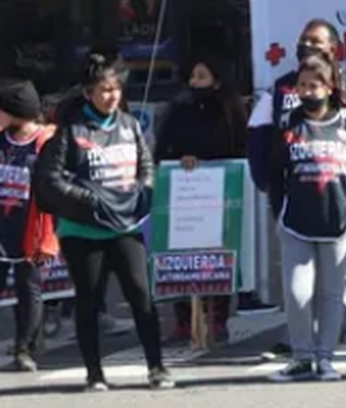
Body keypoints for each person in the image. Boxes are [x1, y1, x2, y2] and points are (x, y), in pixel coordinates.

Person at [33, 52, 175, 392]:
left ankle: (156, 367)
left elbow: (146, 163)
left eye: (115, 89)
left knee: (141, 294)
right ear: (88, 93)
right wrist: (88, 201)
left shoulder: (129, 125)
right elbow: (49, 181)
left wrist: (144, 190)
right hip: (83, 230)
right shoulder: (71, 130)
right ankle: (94, 373)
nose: (111, 96)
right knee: (89, 300)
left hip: (125, 226)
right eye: (103, 89)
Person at [248, 19, 346, 359]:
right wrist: (267, 182)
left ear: (333, 49)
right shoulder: (281, 89)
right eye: (303, 40)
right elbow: (258, 134)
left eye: (316, 40)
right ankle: (299, 337)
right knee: (298, 271)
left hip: (344, 194)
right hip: (296, 195)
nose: (307, 45)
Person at [267, 54, 346, 383]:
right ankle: (301, 357)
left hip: (338, 220)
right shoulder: (288, 122)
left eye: (314, 85)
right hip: (296, 223)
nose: (307, 91)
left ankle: (325, 359)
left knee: (332, 293)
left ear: (329, 87)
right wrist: (278, 209)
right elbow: (275, 172)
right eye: (302, 85)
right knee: (298, 293)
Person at [154, 56, 248, 345]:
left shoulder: (231, 109)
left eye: (202, 77)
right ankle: (184, 320)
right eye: (193, 77)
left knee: (218, 256)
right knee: (182, 255)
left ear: (217, 80)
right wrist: (179, 160)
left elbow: (241, 148)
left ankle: (218, 317)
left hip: (221, 194)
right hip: (185, 194)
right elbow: (162, 150)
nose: (195, 83)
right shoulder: (179, 109)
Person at [0, 80, 57, 373]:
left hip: (31, 229)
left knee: (29, 289)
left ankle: (25, 348)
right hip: (2, 227)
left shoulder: (44, 143)